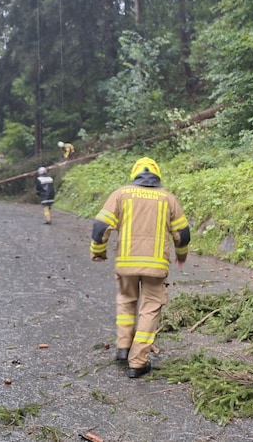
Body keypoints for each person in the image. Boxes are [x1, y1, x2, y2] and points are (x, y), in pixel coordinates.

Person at [89, 157, 190, 378]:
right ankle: (138, 362)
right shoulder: (168, 199)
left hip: (126, 264)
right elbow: (182, 234)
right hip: (155, 266)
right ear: (157, 175)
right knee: (150, 308)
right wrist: (181, 256)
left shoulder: (121, 194)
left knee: (126, 301)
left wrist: (98, 251)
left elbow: (100, 226)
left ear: (135, 175)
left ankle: (123, 347)